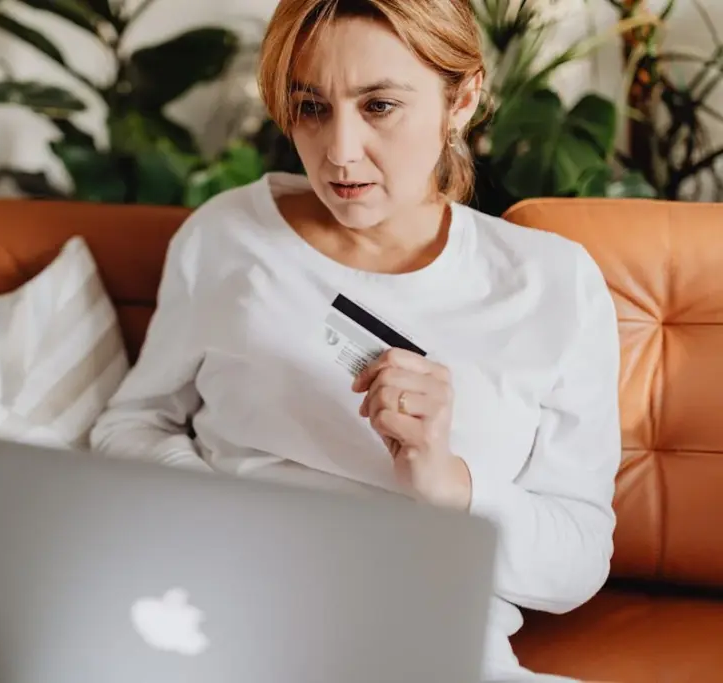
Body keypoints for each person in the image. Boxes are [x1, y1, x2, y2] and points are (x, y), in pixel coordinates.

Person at [89, 0, 622, 680]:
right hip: (219, 607)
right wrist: (217, 506)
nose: (338, 153)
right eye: (311, 107)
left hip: (419, 640)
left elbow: (575, 564)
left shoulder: (552, 284)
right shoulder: (227, 235)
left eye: (379, 107)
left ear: (462, 98)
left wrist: (448, 481)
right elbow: (130, 423)